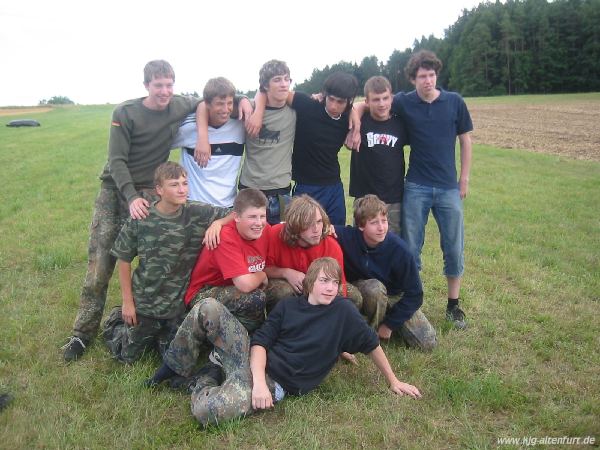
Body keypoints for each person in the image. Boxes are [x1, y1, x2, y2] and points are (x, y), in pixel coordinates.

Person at [147, 257, 421, 426]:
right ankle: (175, 367)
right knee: (208, 306)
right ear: (311, 282)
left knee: (210, 413)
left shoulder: (344, 311)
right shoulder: (289, 307)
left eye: (335, 283)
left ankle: (206, 379)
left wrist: (394, 381)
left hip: (275, 382)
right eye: (324, 281)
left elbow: (371, 344)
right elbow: (261, 343)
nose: (330, 288)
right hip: (254, 362)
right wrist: (256, 384)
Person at [63, 60, 203, 362]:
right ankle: (81, 334)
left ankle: (150, 323)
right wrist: (130, 197)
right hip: (117, 191)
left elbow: (208, 99)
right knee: (101, 264)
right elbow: (116, 160)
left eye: (169, 84)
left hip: (152, 192)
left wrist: (247, 101)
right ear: (146, 86)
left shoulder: (178, 105)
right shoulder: (125, 113)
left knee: (156, 263)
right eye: (158, 85)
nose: (164, 91)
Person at [101, 162, 231, 363]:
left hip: (177, 307)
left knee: (175, 360)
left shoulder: (197, 212)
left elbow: (236, 212)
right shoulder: (141, 217)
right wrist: (128, 303)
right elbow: (124, 259)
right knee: (127, 357)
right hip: (145, 303)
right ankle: (116, 321)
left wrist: (218, 223)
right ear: (159, 190)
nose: (182, 189)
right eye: (174, 184)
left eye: (185, 183)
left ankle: (161, 337)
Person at [393, 50, 473, 329]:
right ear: (413, 79)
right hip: (416, 186)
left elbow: (465, 141)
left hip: (449, 188)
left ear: (436, 76)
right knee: (411, 247)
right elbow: (372, 102)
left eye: (431, 75)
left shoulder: (454, 102)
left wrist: (464, 178)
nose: (427, 80)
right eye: (421, 76)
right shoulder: (404, 102)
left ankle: (453, 305)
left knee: (453, 245)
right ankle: (412, 303)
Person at [248, 72, 359, 225]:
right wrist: (258, 113)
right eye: (331, 99)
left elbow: (364, 106)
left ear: (349, 101)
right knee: (303, 233)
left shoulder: (348, 117)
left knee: (336, 233)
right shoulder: (307, 105)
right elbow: (266, 91)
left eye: (340, 102)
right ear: (325, 94)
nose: (333, 106)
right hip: (306, 186)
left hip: (334, 186)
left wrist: (356, 124)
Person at [334, 195, 436, 351]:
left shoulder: (400, 250)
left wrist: (390, 325)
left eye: (384, 221)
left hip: (395, 296)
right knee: (374, 288)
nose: (381, 227)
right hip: (367, 289)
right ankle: (369, 334)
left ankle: (385, 324)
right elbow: (323, 228)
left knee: (427, 343)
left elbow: (415, 294)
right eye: (374, 223)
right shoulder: (348, 237)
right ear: (361, 226)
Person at [183, 188, 270, 334]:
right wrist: (262, 275)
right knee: (255, 296)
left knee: (282, 289)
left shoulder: (264, 230)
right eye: (252, 217)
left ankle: (267, 333)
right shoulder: (225, 237)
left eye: (262, 216)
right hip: (204, 294)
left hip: (234, 286)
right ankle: (222, 337)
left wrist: (287, 273)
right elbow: (245, 285)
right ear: (236, 217)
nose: (259, 223)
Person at [263, 194, 359, 312]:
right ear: (295, 225)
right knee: (282, 292)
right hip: (288, 287)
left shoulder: (331, 246)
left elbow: (339, 286)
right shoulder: (275, 235)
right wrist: (286, 273)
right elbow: (262, 269)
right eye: (309, 224)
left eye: (319, 222)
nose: (316, 229)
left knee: (354, 298)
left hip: (319, 288)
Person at [171, 77, 246, 207]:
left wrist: (244, 99)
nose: (226, 109)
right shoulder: (188, 128)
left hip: (227, 207)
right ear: (207, 104)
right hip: (193, 206)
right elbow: (157, 145)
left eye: (229, 103)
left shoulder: (240, 126)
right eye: (219, 103)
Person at [239, 60, 297, 224]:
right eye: (277, 80)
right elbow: (221, 100)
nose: (284, 84)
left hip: (281, 192)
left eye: (287, 79)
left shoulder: (294, 112)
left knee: (280, 244)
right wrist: (249, 104)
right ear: (265, 85)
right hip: (250, 189)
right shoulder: (248, 109)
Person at [349, 76, 407, 235]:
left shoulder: (400, 124)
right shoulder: (359, 122)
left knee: (391, 244)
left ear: (391, 98)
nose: (381, 104)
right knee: (361, 244)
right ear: (366, 101)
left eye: (385, 98)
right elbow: (351, 108)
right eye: (376, 99)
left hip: (393, 198)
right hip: (364, 198)